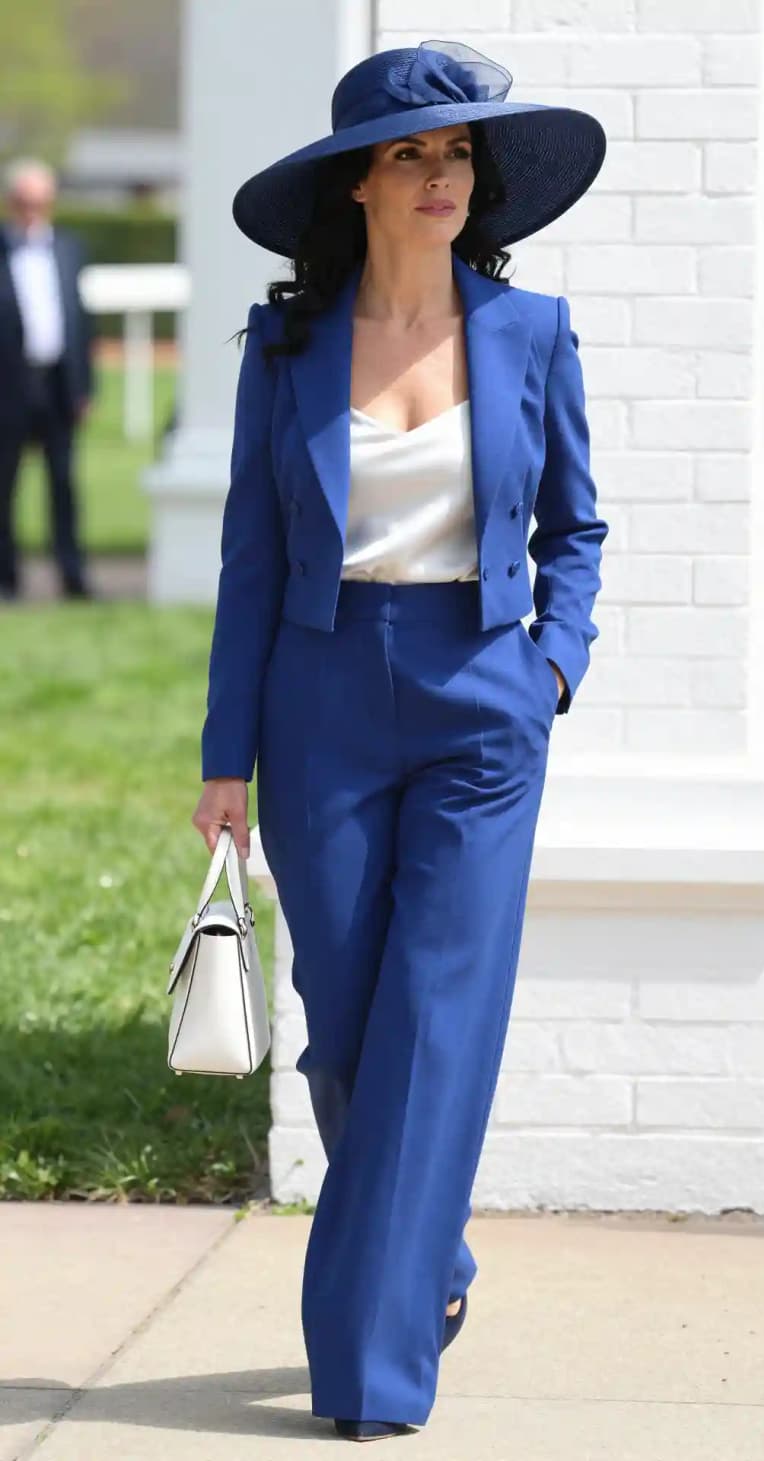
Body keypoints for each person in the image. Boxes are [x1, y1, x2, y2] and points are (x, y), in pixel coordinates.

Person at [191, 39, 608, 1442]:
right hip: (319, 704)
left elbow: (577, 530)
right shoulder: (290, 349)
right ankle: (429, 1255)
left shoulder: (533, 334)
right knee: (350, 1033)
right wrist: (222, 758)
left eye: (460, 156)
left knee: (439, 1020)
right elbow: (252, 559)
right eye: (414, 156)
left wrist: (553, 666)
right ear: (358, 183)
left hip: (485, 699)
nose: (443, 177)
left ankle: (368, 1378)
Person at [0, 158, 96, 601]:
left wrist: (84, 387)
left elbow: (81, 322)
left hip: (58, 383)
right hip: (9, 386)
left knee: (63, 485)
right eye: (23, 202)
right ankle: (7, 578)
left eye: (39, 201)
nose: (31, 210)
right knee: (5, 484)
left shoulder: (69, 249)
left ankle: (72, 576)